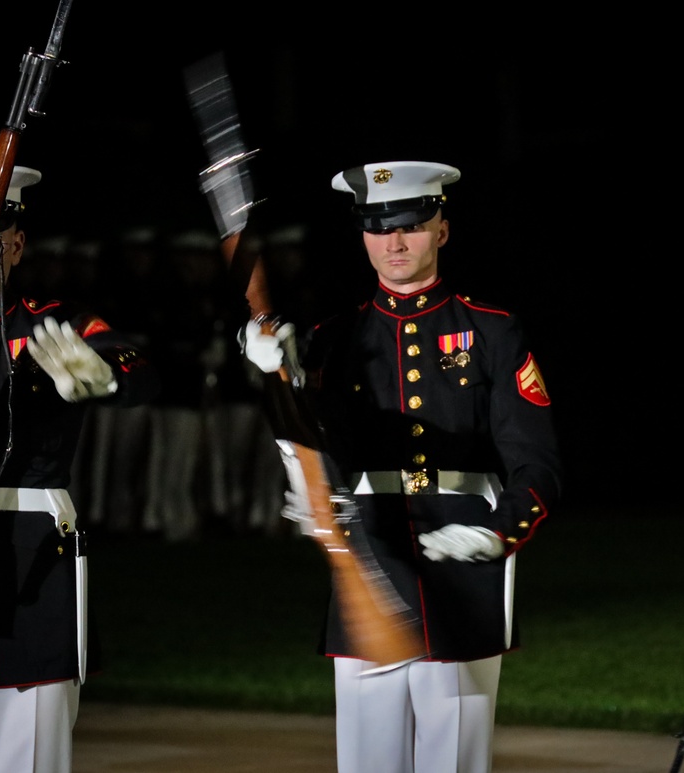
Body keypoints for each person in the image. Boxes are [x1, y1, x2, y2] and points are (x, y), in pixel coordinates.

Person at [244, 160, 562, 772]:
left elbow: (537, 461)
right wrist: (270, 372)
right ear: (362, 234)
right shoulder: (332, 339)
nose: (394, 242)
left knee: (455, 759)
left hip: (464, 566)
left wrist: (499, 534)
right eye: (378, 226)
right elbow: (310, 443)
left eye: (412, 225)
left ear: (442, 229)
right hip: (368, 559)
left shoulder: (491, 332)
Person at [0, 164, 158, 772]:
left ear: (16, 246)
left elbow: (136, 370)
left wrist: (106, 379)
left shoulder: (53, 323)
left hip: (33, 576)